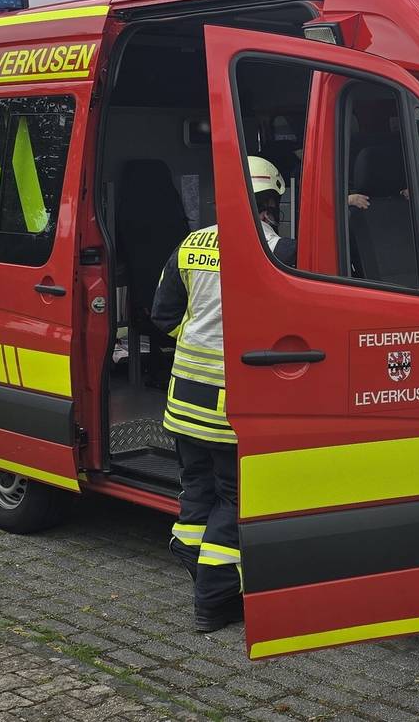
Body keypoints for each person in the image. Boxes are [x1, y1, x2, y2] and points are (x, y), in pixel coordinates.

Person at [151, 156, 294, 632]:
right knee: (235, 499)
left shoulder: (190, 244)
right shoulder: (278, 250)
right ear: (272, 200)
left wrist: (198, 343)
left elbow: (163, 315)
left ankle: (193, 563)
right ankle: (212, 600)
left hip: (183, 399)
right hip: (232, 405)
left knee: (196, 487)